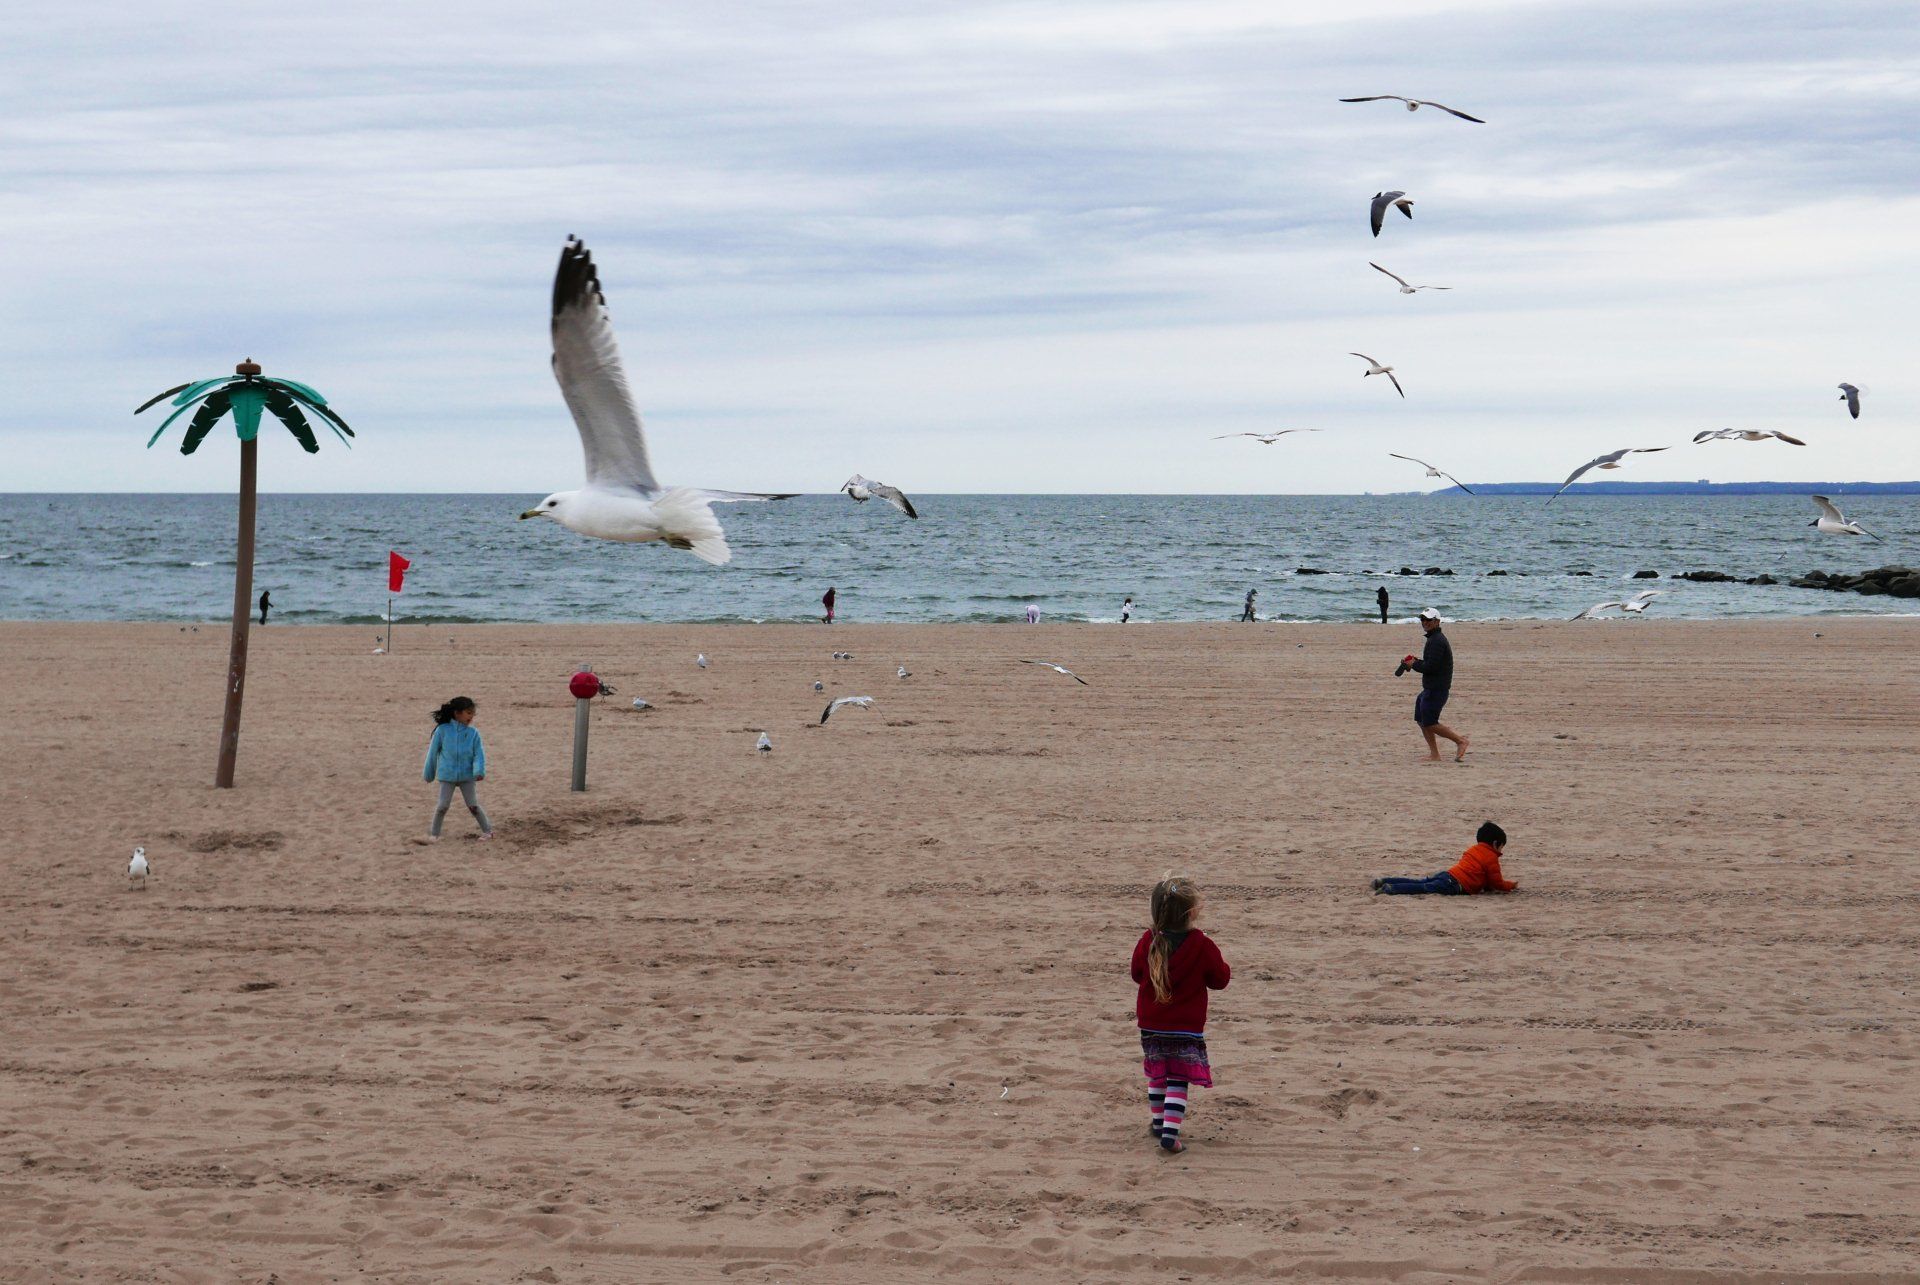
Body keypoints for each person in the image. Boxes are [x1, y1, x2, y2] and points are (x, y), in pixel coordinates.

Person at [1130, 874, 1231, 1154]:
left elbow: (1137, 974)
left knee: (1157, 1073)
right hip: (1185, 1026)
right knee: (1177, 1078)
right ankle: (1170, 1133)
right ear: (1192, 912)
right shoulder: (1202, 945)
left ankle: (1158, 1123)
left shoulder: (1148, 941)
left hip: (1151, 1023)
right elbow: (1220, 979)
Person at [418, 696, 493, 843]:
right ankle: (434, 835)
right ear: (457, 713)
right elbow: (432, 753)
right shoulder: (442, 731)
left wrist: (478, 771)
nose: (471, 717)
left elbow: (479, 754)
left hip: (467, 776)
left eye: (473, 714)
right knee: (442, 807)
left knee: (473, 806)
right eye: (468, 713)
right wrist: (429, 774)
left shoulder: (473, 733)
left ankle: (488, 831)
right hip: (447, 776)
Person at [1398, 608, 1468, 762]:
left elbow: (1430, 667)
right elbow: (1431, 663)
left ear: (1437, 622)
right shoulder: (1433, 639)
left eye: (1428, 620)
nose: (1425, 622)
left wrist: (1413, 664)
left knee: (1430, 723)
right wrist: (1416, 662)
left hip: (1437, 689)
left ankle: (1460, 741)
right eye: (1422, 619)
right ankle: (1435, 754)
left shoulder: (1437, 641)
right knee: (1421, 720)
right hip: (1430, 688)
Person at [1373, 821, 1516, 895]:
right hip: (1454, 884)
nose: (1501, 851)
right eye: (1501, 847)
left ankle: (1383, 881)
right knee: (1424, 888)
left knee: (1421, 882)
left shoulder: (1473, 849)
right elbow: (1497, 882)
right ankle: (1391, 888)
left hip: (1449, 874)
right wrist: (1510, 886)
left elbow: (1481, 876)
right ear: (1495, 844)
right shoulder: (1491, 858)